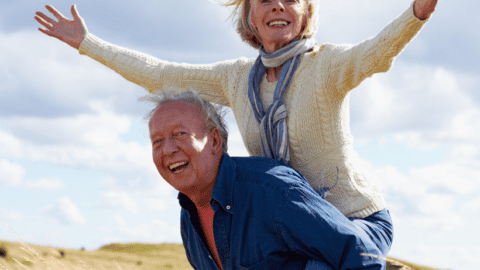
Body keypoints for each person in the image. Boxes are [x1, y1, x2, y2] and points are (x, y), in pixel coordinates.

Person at [34, 0, 438, 262]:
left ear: (306, 13)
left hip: (352, 218)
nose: (277, 5)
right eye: (264, 0)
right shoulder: (236, 78)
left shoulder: (326, 66)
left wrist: (415, 14)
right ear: (249, 17)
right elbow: (159, 74)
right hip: (282, 216)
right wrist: (87, 43)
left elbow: (375, 53)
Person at [144, 89, 389, 269]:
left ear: (215, 141)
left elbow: (361, 253)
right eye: (157, 141)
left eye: (180, 134)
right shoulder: (189, 216)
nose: (168, 149)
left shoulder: (272, 191)